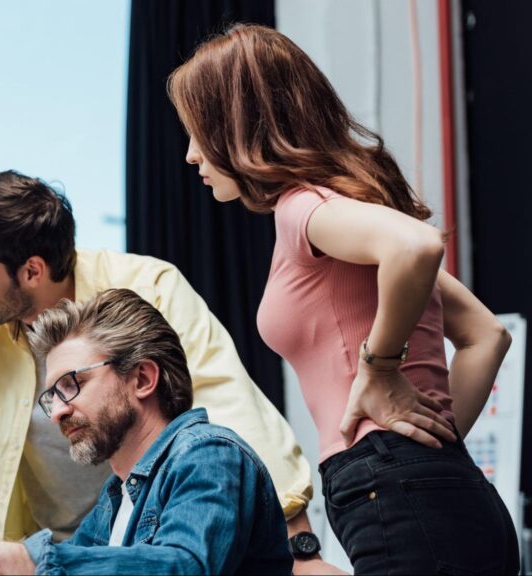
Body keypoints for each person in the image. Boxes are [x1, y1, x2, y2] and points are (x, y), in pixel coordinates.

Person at [0, 170, 321, 570]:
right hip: (76, 539)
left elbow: (229, 403)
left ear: (31, 270)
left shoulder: (149, 288)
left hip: (141, 534)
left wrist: (298, 548)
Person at [168, 23, 518, 574]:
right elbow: (486, 335)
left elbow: (417, 245)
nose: (190, 155)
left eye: (196, 132)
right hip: (441, 491)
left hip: (395, 491)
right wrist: (427, 445)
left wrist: (378, 373)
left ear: (236, 127)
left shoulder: (301, 208)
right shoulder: (338, 217)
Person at [0, 289, 293, 575]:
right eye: (51, 396)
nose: (57, 412)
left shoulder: (208, 455)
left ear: (142, 378)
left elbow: (184, 567)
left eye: (72, 385)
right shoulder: (114, 499)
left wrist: (6, 559)